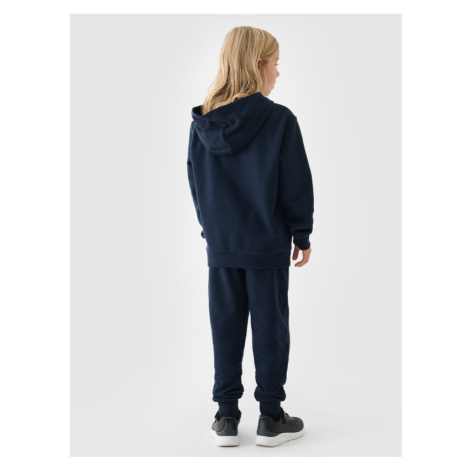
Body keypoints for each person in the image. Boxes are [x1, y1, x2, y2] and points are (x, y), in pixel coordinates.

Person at [186, 26, 314, 447]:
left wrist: (211, 232)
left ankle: (225, 417)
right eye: (275, 64)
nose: (278, 73)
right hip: (267, 246)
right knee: (270, 330)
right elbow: (295, 183)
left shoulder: (203, 123)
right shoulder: (279, 120)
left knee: (225, 328)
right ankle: (271, 418)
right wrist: (301, 233)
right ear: (258, 65)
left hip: (222, 247)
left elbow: (196, 183)